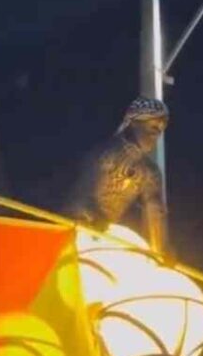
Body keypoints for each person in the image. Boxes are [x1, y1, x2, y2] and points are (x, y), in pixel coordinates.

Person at [65, 97, 169, 247]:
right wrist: (91, 215)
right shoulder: (106, 152)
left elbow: (155, 210)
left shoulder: (150, 172)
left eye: (161, 129)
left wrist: (161, 249)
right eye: (153, 126)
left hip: (101, 236)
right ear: (134, 122)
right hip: (73, 228)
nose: (157, 132)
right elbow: (80, 193)